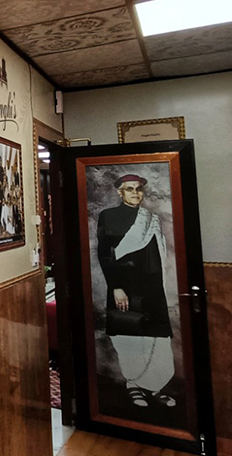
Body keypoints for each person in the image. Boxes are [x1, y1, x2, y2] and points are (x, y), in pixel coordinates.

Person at [97, 174, 176, 409]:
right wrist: (116, 287)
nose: (135, 193)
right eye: (129, 189)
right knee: (128, 336)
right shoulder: (108, 216)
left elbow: (158, 254)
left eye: (139, 189)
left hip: (151, 286)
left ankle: (155, 387)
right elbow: (105, 253)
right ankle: (133, 384)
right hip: (124, 285)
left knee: (156, 336)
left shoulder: (151, 218)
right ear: (120, 193)